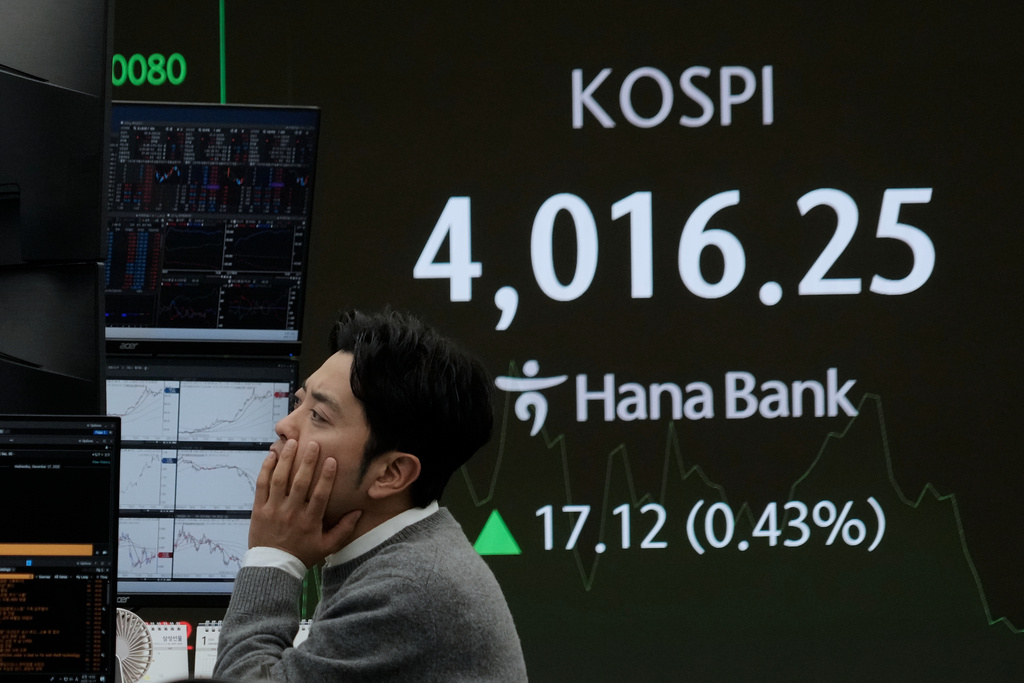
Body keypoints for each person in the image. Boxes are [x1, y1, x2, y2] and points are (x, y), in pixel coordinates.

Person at [213, 308, 527, 682]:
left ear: (392, 474)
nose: (284, 426)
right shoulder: (409, 560)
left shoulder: (406, 592)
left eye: (319, 416)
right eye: (300, 403)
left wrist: (273, 557)